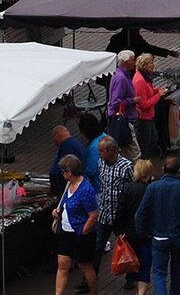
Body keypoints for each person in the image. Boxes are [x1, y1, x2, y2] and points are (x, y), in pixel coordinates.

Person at [135, 155, 180, 295]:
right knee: (178, 273)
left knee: (159, 274)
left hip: (159, 237)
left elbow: (140, 214)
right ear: (178, 170)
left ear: (163, 168)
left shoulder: (153, 187)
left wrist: (144, 232)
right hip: (179, 237)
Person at [53, 153, 100, 295]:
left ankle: (93, 292)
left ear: (69, 172)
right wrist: (58, 211)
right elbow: (67, 204)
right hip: (66, 232)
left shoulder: (86, 189)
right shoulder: (69, 184)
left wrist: (84, 230)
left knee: (85, 266)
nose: (62, 174)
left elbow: (93, 214)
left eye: (63, 171)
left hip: (80, 234)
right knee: (62, 265)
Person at [119, 159, 158, 295]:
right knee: (145, 263)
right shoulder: (153, 189)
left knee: (132, 259)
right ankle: (141, 292)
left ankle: (131, 280)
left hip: (130, 233)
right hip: (147, 234)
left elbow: (121, 212)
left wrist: (119, 231)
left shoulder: (127, 188)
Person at [95, 138, 133, 269]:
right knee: (97, 246)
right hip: (104, 213)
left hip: (119, 214)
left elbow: (132, 188)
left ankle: (131, 275)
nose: (99, 153)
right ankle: (89, 278)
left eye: (101, 150)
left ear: (111, 151)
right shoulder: (101, 162)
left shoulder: (126, 166)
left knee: (126, 245)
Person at [132, 54, 167, 158]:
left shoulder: (144, 77)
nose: (153, 65)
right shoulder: (140, 80)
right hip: (143, 118)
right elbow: (143, 104)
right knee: (145, 144)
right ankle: (143, 167)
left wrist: (157, 90)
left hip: (147, 117)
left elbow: (147, 92)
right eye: (151, 63)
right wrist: (158, 95)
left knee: (153, 139)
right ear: (145, 65)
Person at [106, 51, 138, 151]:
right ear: (125, 62)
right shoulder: (121, 78)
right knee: (133, 151)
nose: (134, 62)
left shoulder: (123, 74)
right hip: (124, 119)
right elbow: (115, 102)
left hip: (126, 116)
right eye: (132, 60)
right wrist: (133, 100)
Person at [51, 125, 90, 197]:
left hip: (73, 187)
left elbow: (63, 168)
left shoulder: (66, 146)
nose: (54, 142)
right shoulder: (77, 143)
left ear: (57, 136)